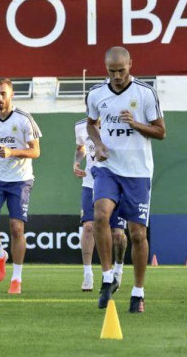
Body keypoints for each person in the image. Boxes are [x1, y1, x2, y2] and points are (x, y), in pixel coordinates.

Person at [86, 46, 165, 313]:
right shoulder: (96, 94)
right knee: (100, 215)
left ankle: (137, 293)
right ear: (105, 68)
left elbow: (160, 131)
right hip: (108, 168)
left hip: (138, 172)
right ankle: (107, 278)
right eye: (112, 71)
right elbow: (90, 123)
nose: (117, 76)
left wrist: (136, 124)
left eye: (121, 70)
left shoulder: (145, 93)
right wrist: (97, 144)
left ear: (131, 64)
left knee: (137, 234)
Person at [0, 78, 41, 294]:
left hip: (20, 180)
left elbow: (36, 151)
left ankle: (16, 278)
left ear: (11, 94)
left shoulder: (24, 119)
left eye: (3, 94)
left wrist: (13, 152)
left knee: (16, 228)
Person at [73, 118, 127, 292]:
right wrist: (76, 162)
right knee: (88, 227)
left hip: (115, 183)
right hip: (90, 183)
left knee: (118, 234)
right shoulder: (81, 126)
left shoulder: (116, 124)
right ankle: (88, 274)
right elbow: (80, 148)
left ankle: (118, 268)